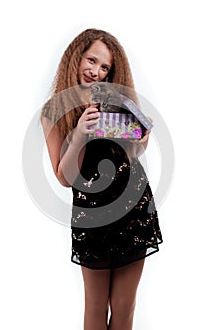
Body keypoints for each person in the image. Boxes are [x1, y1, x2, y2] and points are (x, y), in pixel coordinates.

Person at [41, 28, 163, 330]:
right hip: (92, 215)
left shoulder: (114, 100)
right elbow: (65, 178)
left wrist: (142, 139)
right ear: (76, 58)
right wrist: (80, 135)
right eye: (91, 60)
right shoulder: (55, 111)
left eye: (105, 66)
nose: (96, 71)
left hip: (134, 207)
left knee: (124, 307)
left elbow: (131, 153)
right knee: (95, 307)